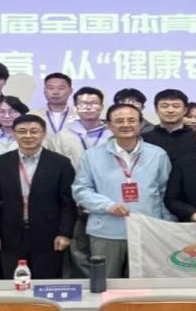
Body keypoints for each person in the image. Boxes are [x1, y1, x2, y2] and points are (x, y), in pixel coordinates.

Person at [72, 103, 173, 278]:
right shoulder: (92, 156)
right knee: (105, 282)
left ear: (141, 124)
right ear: (109, 125)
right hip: (107, 230)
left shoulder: (158, 155)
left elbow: (166, 192)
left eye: (131, 120)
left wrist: (166, 225)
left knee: (145, 285)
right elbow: (81, 190)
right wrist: (108, 206)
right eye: (119, 121)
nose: (126, 125)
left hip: (148, 230)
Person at [0, 114, 76, 279]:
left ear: (43, 133)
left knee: (46, 282)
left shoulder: (60, 163)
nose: (28, 136)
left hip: (49, 235)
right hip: (9, 234)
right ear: (14, 134)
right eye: (22, 131)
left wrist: (64, 233)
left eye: (34, 131)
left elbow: (68, 203)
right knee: (14, 282)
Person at [50, 87, 113, 167]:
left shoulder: (112, 134)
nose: (89, 108)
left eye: (94, 103)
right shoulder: (63, 136)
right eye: (83, 104)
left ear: (102, 107)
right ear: (76, 108)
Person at [142, 88, 196, 163]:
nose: (170, 110)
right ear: (156, 110)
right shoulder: (144, 139)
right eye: (164, 106)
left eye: (176, 106)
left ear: (185, 110)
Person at [40, 72, 75, 141]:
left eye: (61, 88)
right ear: (44, 91)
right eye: (51, 88)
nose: (55, 92)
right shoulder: (33, 115)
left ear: (71, 91)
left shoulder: (79, 116)